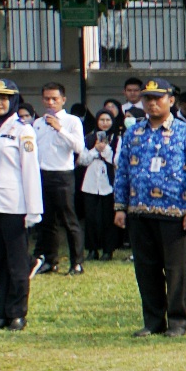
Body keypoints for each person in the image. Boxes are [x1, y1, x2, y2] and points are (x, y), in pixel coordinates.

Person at [111, 78, 186, 337]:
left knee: (176, 270)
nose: (152, 103)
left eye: (158, 98)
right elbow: (123, 171)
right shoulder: (134, 132)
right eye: (148, 99)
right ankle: (153, 321)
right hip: (140, 210)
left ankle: (178, 321)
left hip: (175, 213)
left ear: (171, 100)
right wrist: (120, 206)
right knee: (146, 269)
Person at [0, 79, 45, 329]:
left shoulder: (23, 130)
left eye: (4, 97)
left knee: (17, 263)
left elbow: (30, 171)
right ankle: (2, 312)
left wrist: (33, 210)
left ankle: (17, 313)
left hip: (14, 206)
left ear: (14, 100)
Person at [30, 81, 85, 276]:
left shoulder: (72, 121)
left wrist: (60, 129)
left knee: (69, 220)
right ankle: (50, 260)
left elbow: (79, 148)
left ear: (63, 99)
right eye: (47, 98)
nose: (50, 102)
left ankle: (77, 262)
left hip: (62, 175)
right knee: (46, 221)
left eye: (55, 98)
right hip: (42, 174)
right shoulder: (37, 123)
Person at [80, 110, 119, 260]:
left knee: (107, 218)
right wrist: (96, 150)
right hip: (90, 183)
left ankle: (108, 250)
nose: (104, 123)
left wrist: (106, 150)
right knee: (91, 218)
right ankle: (92, 249)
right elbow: (83, 160)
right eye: (101, 119)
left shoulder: (117, 138)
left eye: (108, 119)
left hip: (108, 184)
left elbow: (116, 160)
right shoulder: (89, 138)